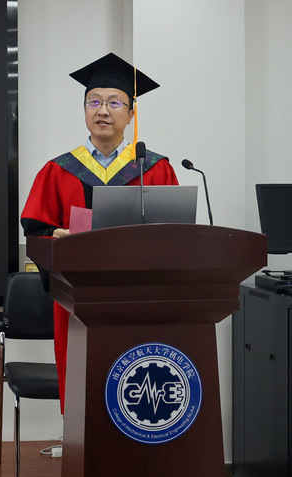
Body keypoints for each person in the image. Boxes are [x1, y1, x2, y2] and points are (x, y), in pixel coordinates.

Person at [21, 52, 179, 413]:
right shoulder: (58, 171)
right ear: (84, 110)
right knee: (84, 394)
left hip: (140, 300)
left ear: (131, 113)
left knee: (140, 394)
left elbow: (176, 235)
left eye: (113, 102)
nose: (102, 111)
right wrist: (56, 237)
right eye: (93, 102)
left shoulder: (155, 169)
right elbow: (36, 231)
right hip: (78, 299)